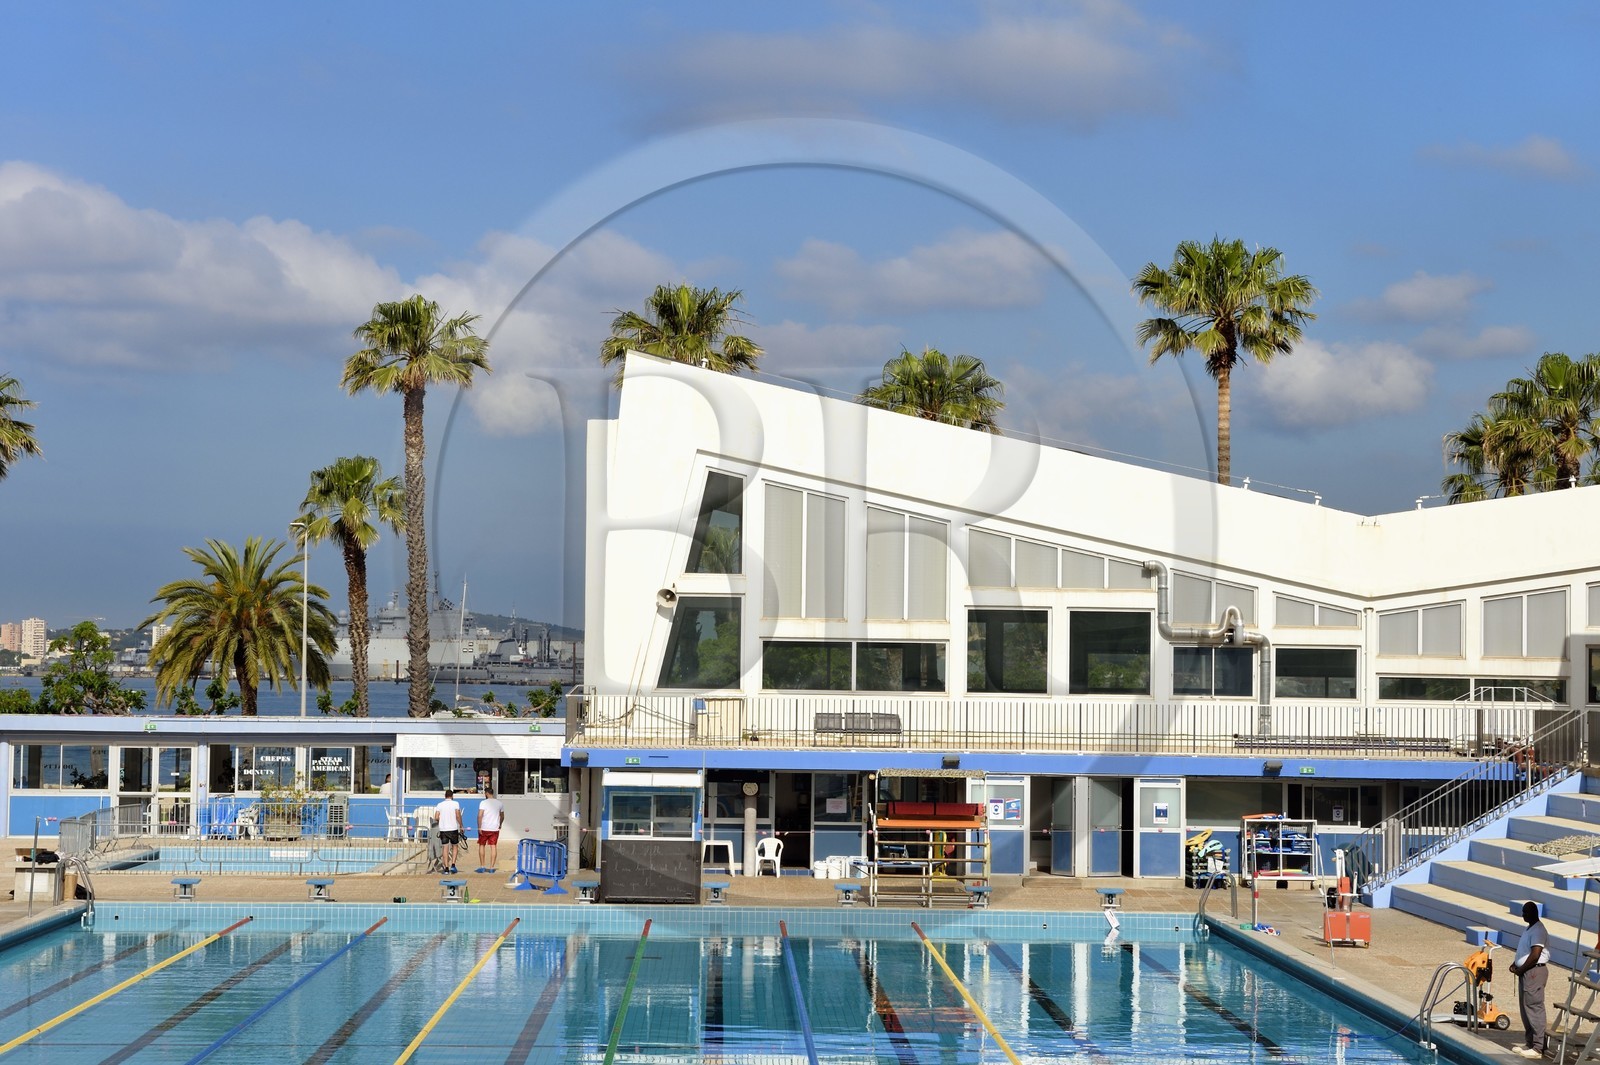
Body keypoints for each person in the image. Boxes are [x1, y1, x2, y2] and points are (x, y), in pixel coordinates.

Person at [1510, 899, 1548, 1058]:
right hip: (1526, 971)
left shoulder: (1538, 930)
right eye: (1523, 912)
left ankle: (1538, 1047)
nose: (1523, 915)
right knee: (1525, 1008)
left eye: (1526, 912)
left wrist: (1521, 969)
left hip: (1534, 972)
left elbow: (1535, 955)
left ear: (1534, 913)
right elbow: (1525, 952)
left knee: (1534, 1007)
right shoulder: (1529, 929)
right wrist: (1515, 964)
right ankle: (1530, 1042)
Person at [433, 788, 464, 874]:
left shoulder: (440, 805)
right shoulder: (455, 804)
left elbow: (436, 817)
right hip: (453, 828)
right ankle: (453, 865)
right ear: (452, 796)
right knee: (455, 846)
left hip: (443, 829)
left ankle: (446, 867)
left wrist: (440, 821)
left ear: (445, 796)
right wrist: (461, 825)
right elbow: (458, 815)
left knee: (445, 848)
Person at [477, 787, 505, 871]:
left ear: (486, 793)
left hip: (485, 827)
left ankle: (482, 866)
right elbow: (502, 816)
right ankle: (492, 867)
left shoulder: (483, 803)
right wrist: (500, 824)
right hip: (494, 828)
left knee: (482, 845)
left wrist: (479, 826)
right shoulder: (500, 803)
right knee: (493, 846)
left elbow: (480, 815)